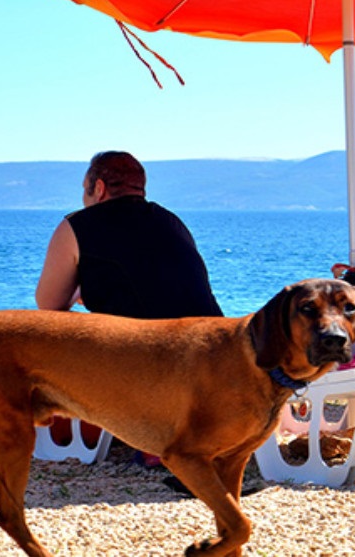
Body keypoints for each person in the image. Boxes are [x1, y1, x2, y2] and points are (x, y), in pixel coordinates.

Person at [35, 151, 222, 486]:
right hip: (215, 358)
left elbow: (49, 305)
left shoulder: (78, 225)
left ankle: (140, 433)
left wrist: (81, 288)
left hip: (153, 366)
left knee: (47, 336)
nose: (83, 196)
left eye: (85, 188)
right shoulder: (171, 221)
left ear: (100, 187)